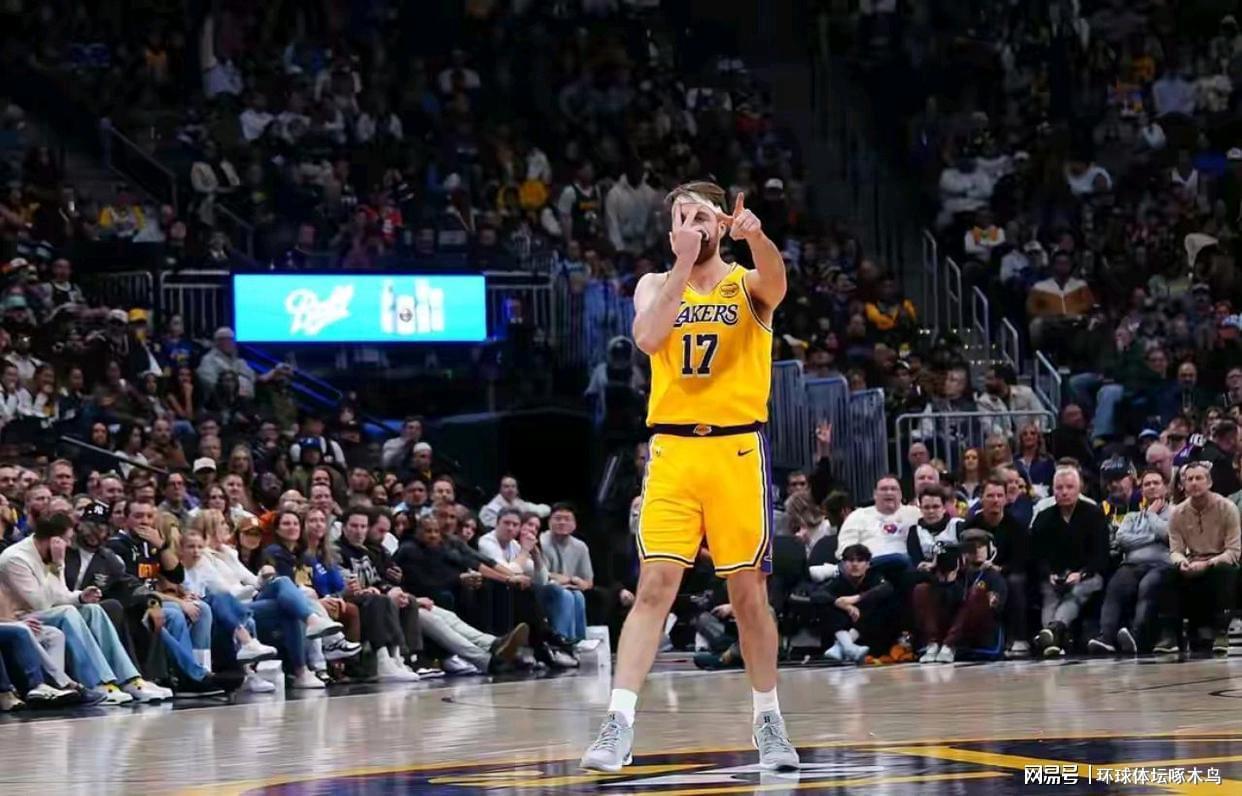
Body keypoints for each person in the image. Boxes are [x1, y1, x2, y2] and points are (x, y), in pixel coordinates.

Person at [581, 182, 798, 772]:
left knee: (748, 593)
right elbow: (649, 337)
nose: (689, 226)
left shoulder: (747, 283)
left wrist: (758, 238)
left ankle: (769, 720)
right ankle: (617, 724)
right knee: (654, 586)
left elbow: (777, 284)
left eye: (700, 216)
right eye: (680, 217)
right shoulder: (655, 284)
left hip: (736, 450)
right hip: (673, 450)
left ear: (722, 224)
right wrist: (680, 264)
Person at [1089, 469, 1173, 655]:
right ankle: (1106, 637)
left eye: (1156, 483)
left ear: (1165, 487)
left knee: (1147, 586)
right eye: (1147, 484)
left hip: (1161, 565)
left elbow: (1168, 535)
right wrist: (1152, 537)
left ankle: (1136, 635)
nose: (1151, 487)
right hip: (1132, 564)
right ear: (1141, 490)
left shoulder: (1176, 512)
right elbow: (1122, 540)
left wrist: (1151, 516)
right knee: (1115, 586)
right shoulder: (1132, 516)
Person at [1030, 468, 1111, 657]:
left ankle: (1052, 633)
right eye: (1059, 488)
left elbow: (1101, 555)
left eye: (1069, 487)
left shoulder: (1093, 514)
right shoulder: (1043, 517)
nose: (1064, 492)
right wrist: (1048, 574)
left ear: (1079, 489)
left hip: (1087, 575)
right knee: (1050, 597)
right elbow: (1036, 555)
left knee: (1076, 593)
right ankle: (1054, 640)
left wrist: (1081, 574)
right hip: (1054, 577)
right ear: (1053, 490)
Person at [1166, 461, 1241, 654]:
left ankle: (1221, 632)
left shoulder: (1227, 508)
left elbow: (1234, 552)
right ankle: (1170, 636)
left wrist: (1207, 563)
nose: (1194, 483)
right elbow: (1175, 550)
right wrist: (1181, 562)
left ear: (1209, 482)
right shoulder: (1177, 513)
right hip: (1193, 562)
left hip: (1220, 562)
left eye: (1199, 478)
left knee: (1225, 572)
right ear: (1183, 485)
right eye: (1189, 479)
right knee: (1165, 572)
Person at [913, 530, 1007, 663]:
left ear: (990, 549)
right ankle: (933, 644)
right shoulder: (956, 572)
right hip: (951, 623)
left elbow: (994, 607)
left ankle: (949, 644)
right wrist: (938, 571)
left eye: (980, 546)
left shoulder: (993, 575)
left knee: (976, 593)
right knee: (922, 589)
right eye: (971, 547)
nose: (976, 551)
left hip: (978, 628)